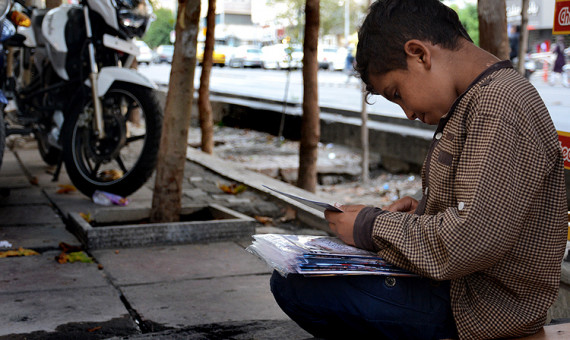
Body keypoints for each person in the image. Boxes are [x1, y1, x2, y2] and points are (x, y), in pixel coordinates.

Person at [270, 0, 568, 339]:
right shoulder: (481, 98)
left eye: (397, 93)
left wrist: (371, 226)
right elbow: (481, 207)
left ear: (420, 54)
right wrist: (423, 210)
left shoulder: (497, 106)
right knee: (301, 273)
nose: (407, 112)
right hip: (463, 290)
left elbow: (470, 242)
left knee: (298, 285)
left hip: (481, 307)